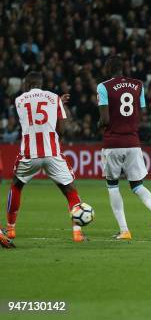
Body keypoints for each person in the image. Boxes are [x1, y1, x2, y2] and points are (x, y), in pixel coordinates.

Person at [5, 71, 90, 244]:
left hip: (29, 153)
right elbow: (62, 130)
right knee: (69, 190)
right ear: (41, 83)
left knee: (16, 185)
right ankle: (77, 233)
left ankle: (11, 228)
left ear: (27, 84)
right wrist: (58, 103)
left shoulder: (19, 100)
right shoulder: (54, 98)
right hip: (52, 152)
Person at [97, 56, 151, 241]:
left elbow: (105, 119)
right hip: (132, 142)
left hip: (113, 142)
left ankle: (125, 230)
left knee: (112, 185)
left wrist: (99, 124)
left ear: (108, 69)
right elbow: (141, 113)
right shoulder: (138, 85)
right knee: (137, 185)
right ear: (123, 68)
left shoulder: (103, 87)